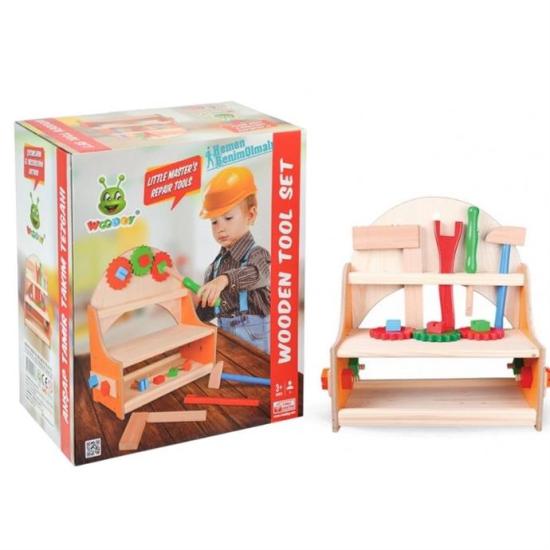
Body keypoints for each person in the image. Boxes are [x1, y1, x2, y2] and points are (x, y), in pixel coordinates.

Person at [196, 166, 271, 353]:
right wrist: (197, 301)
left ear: (250, 215)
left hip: (256, 341)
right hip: (226, 336)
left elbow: (257, 274)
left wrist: (225, 279)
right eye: (214, 222)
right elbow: (206, 314)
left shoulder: (258, 255)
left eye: (228, 218)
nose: (220, 228)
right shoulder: (213, 268)